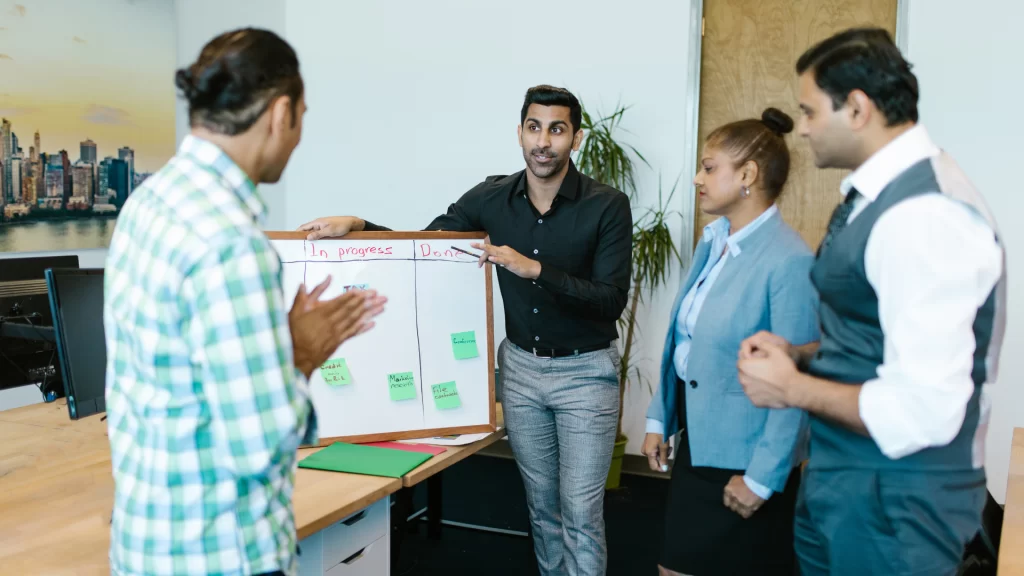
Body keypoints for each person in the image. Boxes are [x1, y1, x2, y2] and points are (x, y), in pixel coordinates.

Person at [299, 85, 632, 576]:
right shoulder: (491, 199)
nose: (544, 141)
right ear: (520, 132)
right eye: (534, 127)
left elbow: (611, 299)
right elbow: (425, 245)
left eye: (557, 129)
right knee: (542, 510)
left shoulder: (607, 205)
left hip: (585, 374)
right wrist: (358, 223)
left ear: (575, 138)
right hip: (520, 372)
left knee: (581, 513)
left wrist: (533, 270)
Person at [104, 29, 386, 576]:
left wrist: (266, 343)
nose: (299, 135)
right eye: (302, 116)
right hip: (220, 551)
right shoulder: (232, 241)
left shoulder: (148, 203)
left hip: (148, 540)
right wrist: (299, 355)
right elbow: (259, 443)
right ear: (281, 114)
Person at [737, 28, 1005, 576]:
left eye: (810, 111)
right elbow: (875, 336)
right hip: (845, 482)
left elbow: (924, 410)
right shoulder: (875, 197)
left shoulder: (926, 216)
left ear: (857, 108)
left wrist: (792, 388)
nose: (803, 128)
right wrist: (800, 353)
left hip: (898, 500)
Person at [641, 109, 818, 576]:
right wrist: (662, 416)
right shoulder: (715, 241)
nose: (698, 178)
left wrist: (762, 480)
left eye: (709, 166)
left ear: (747, 175)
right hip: (699, 447)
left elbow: (795, 385)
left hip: (749, 461)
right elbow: (685, 341)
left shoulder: (788, 261)